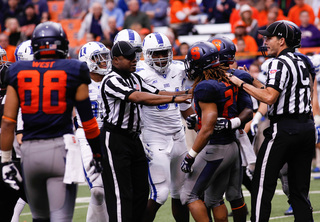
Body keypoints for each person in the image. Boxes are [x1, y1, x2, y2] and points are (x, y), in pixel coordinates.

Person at [0, 21, 103, 221]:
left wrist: (5, 161)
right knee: (61, 217)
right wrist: (97, 153)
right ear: (62, 44)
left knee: (40, 217)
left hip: (30, 154)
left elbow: (8, 123)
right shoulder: (74, 69)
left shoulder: (18, 71)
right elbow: (88, 121)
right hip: (61, 149)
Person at [227, 20, 315, 221]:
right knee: (298, 190)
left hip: (285, 129)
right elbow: (278, 90)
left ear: (281, 40)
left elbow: (269, 97)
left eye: (269, 37)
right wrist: (253, 81)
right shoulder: (302, 61)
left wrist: (240, 83)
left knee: (260, 184)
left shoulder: (277, 62)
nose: (265, 41)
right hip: (306, 128)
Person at [99, 40, 192, 222]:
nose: (134, 59)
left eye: (135, 55)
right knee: (121, 193)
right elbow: (140, 98)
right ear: (116, 60)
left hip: (134, 139)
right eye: (128, 57)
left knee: (141, 191)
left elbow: (157, 92)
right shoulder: (111, 80)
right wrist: (176, 99)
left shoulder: (134, 78)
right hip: (115, 138)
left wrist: (186, 94)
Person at [136, 32, 195, 222]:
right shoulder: (139, 73)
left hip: (178, 135)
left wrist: (198, 124)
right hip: (153, 137)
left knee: (181, 193)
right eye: (156, 54)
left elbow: (185, 105)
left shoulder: (178, 69)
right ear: (146, 54)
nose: (161, 58)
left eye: (164, 53)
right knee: (160, 193)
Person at [179, 41, 240, 222]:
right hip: (231, 145)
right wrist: (197, 119)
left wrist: (190, 156)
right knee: (214, 199)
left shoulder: (205, 87)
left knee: (188, 195)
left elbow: (208, 128)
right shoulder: (225, 78)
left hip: (216, 147)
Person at [77, 41, 111, 222]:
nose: (105, 61)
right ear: (87, 61)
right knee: (98, 190)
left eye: (106, 56)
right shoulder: (79, 83)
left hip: (111, 135)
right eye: (99, 58)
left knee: (112, 189)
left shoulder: (112, 79)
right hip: (86, 136)